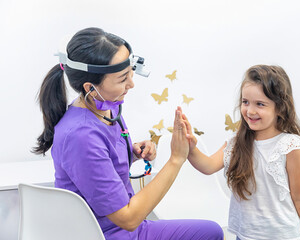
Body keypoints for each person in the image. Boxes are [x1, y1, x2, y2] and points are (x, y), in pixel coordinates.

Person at [33, 27, 223, 240]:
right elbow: (128, 218)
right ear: (90, 88)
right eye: (123, 79)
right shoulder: (80, 136)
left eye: (131, 73)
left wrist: (131, 153)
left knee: (211, 231)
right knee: (210, 234)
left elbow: (101, 161)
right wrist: (176, 159)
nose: (131, 84)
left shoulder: (107, 108)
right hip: (107, 234)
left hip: (129, 228)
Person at [182, 65, 300, 240]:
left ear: (280, 108)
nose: (250, 111)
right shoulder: (236, 142)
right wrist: (191, 148)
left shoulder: (290, 147)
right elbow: (207, 166)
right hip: (245, 236)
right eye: (245, 102)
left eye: (260, 104)